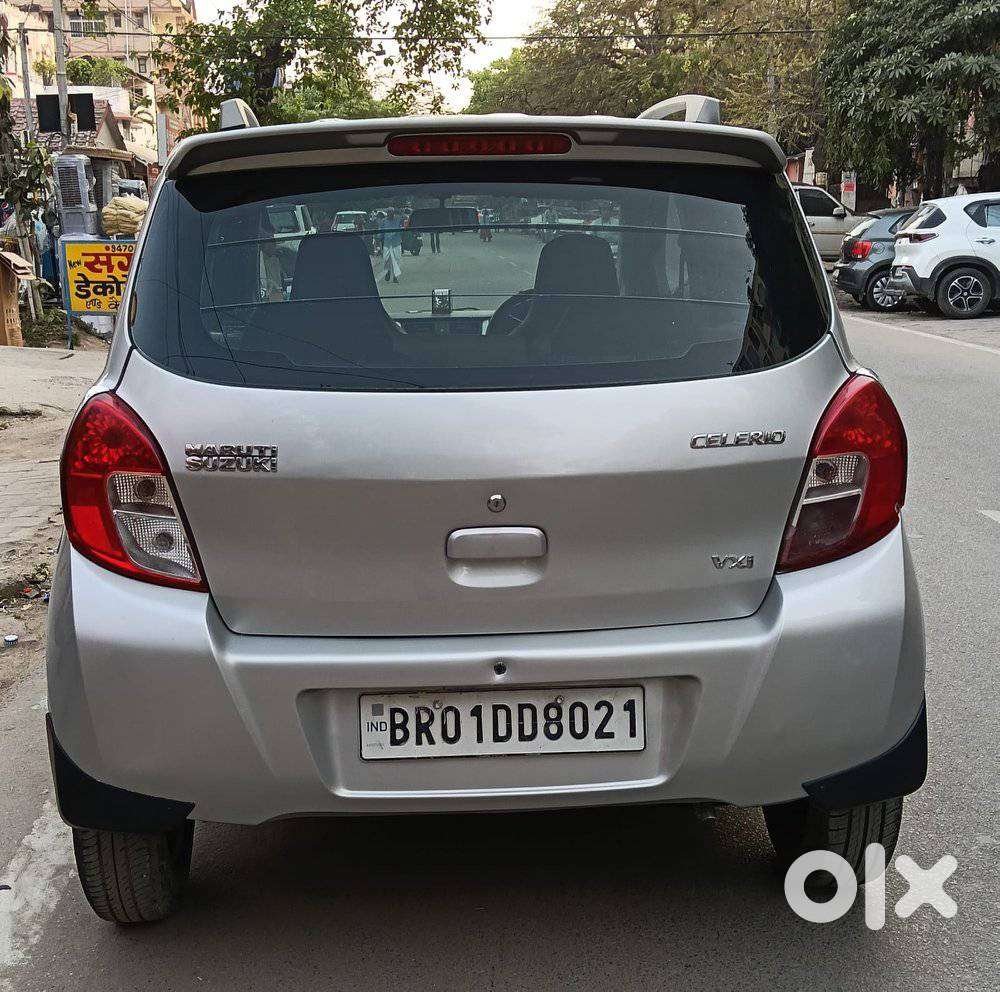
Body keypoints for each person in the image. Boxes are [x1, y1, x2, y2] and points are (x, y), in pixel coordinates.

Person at [380, 206, 403, 283]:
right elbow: (381, 233)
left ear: (394, 213)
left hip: (396, 243)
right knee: (386, 260)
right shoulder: (384, 221)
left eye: (392, 212)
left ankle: (395, 277)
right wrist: (378, 242)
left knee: (397, 260)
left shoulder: (398, 219)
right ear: (387, 213)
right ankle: (388, 272)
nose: (390, 214)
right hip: (387, 244)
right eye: (388, 212)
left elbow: (404, 219)